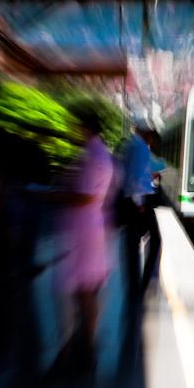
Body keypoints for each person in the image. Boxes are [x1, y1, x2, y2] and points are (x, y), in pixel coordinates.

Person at [53, 111, 115, 371]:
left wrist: (55, 196)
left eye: (76, 126)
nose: (74, 131)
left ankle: (87, 345)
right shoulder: (100, 154)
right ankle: (87, 342)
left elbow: (86, 196)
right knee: (86, 287)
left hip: (85, 229)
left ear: (85, 127)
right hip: (90, 227)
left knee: (85, 288)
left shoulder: (92, 157)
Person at [119, 119, 161, 303]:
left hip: (132, 202)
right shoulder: (141, 147)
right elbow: (135, 178)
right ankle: (142, 284)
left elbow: (132, 174)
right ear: (147, 133)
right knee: (155, 240)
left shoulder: (131, 145)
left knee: (133, 243)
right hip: (138, 203)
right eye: (151, 136)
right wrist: (140, 204)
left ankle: (135, 285)